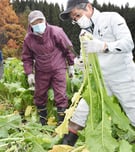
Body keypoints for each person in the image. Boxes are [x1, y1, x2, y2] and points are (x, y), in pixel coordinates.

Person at [59, 0, 135, 146]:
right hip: (100, 82)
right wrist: (81, 63)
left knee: (133, 112)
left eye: (77, 15)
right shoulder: (83, 33)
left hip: (123, 77)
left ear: (88, 7)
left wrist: (104, 46)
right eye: (74, 19)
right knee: (80, 113)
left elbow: (128, 43)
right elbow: (86, 57)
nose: (77, 20)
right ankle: (65, 146)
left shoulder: (111, 18)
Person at [22, 10, 75, 126]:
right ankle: (43, 122)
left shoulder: (56, 32)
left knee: (60, 94)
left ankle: (62, 123)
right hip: (41, 70)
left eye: (40, 21)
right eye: (35, 23)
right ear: (30, 25)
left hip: (58, 68)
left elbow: (68, 47)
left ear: (45, 20)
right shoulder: (28, 39)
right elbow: (27, 57)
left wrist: (71, 65)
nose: (38, 24)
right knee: (39, 95)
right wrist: (29, 73)